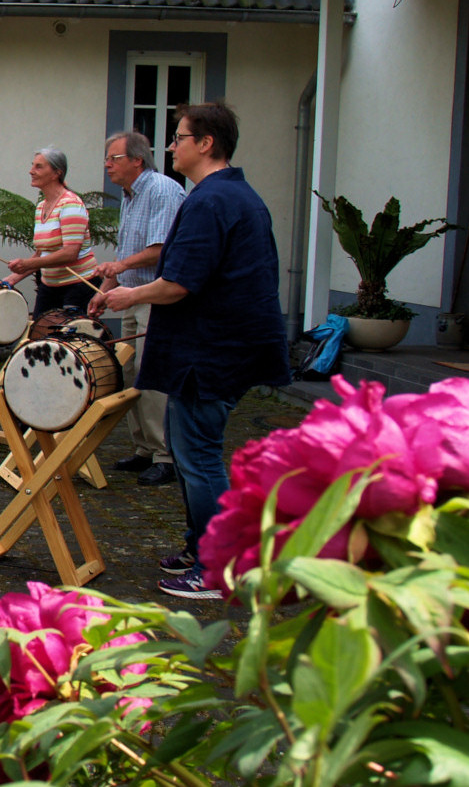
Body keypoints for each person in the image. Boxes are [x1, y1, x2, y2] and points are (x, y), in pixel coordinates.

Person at [104, 102, 288, 600]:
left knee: (199, 457)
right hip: (218, 347)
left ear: (205, 144)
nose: (171, 147)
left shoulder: (211, 201)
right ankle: (199, 547)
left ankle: (218, 566)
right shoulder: (228, 195)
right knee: (191, 457)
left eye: (179, 137)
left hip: (213, 353)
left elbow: (180, 283)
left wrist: (129, 293)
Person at [87, 131, 186, 488]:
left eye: (113, 158)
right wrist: (104, 290)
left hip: (155, 296)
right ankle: (144, 449)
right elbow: (127, 256)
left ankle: (166, 456)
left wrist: (119, 268)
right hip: (132, 294)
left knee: (152, 373)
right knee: (131, 372)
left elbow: (161, 249)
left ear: (137, 160)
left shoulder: (161, 189)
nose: (107, 165)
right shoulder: (130, 195)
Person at [4, 148, 101, 315]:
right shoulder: (42, 206)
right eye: (32, 166)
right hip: (49, 286)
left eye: (39, 167)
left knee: (65, 339)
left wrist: (27, 264)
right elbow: (42, 253)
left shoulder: (70, 204)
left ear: (56, 173)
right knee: (39, 336)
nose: (31, 171)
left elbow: (70, 253)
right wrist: (12, 279)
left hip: (79, 286)